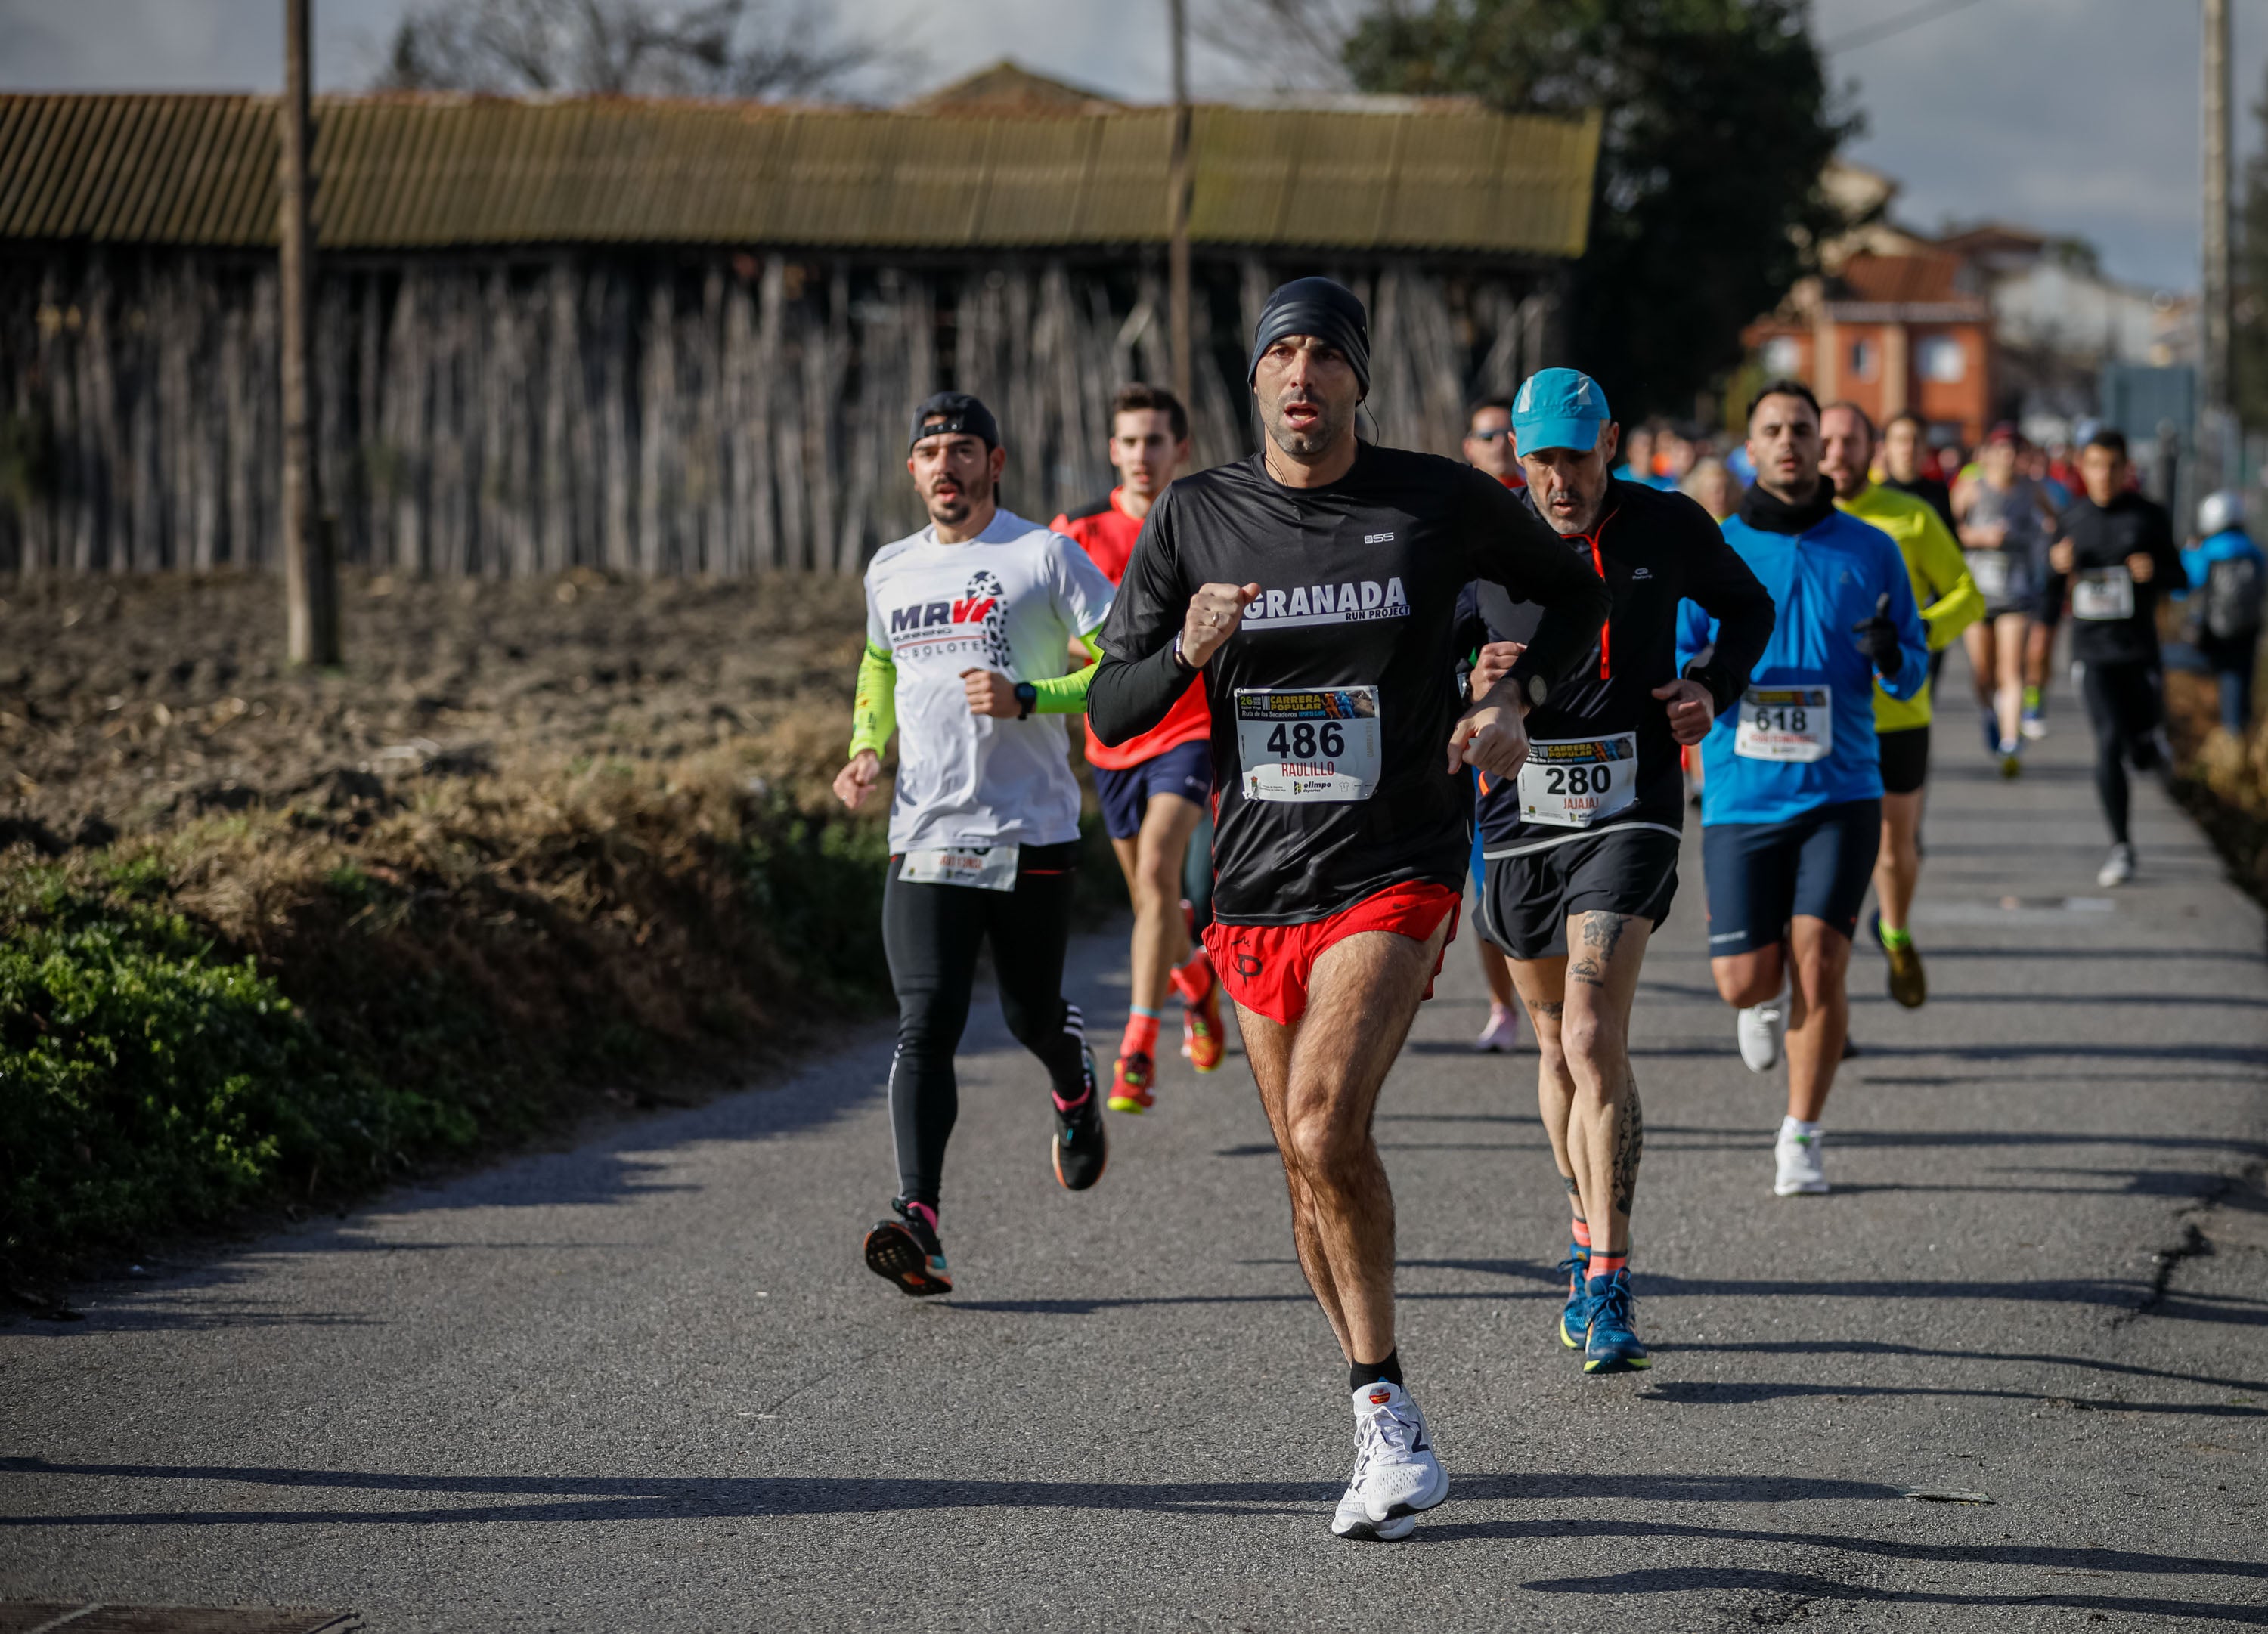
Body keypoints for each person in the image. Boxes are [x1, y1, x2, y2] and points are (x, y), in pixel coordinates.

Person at [1089, 277, 1609, 1541]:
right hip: (1255, 882)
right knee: (1303, 1163)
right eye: (1283, 354)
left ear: (1358, 379)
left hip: (1398, 863)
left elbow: (1576, 592)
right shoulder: (1196, 516)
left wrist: (1512, 699)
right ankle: (1374, 1415)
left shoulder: (1431, 498)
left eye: (1326, 352)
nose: (1303, 373)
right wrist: (1188, 656)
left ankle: (1388, 1416)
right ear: (1256, 382)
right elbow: (1110, 711)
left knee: (1326, 1126)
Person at [1461, 368, 1774, 1372]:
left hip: (1630, 807)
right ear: (1519, 456)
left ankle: (1611, 1275)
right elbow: (1437, 646)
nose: (1561, 479)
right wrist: (1463, 679)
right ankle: (1582, 1223)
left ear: (1613, 445)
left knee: (1594, 1028)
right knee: (1554, 1047)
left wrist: (1712, 686)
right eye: (1542, 459)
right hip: (1516, 817)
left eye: (1578, 456)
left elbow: (1748, 607)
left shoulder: (1665, 523)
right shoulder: (1484, 537)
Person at [837, 391, 1120, 1298]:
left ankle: (1072, 1077)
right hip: (922, 832)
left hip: (1029, 830)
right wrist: (865, 748)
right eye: (930, 452)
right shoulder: (889, 568)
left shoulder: (1044, 554)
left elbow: (1123, 665)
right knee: (926, 1022)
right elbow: (879, 665)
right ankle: (918, 1216)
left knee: (1031, 1015)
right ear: (912, 470)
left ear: (995, 462)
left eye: (964, 449)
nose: (946, 465)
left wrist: (1033, 696)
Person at [1678, 380, 1926, 1196]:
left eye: (1803, 429)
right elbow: (1678, 656)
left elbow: (1910, 674)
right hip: (1744, 794)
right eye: (1773, 429)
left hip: (1841, 790)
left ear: (1826, 446)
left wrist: (1891, 653)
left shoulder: (1871, 547)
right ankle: (1759, 999)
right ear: (1751, 446)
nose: (1789, 442)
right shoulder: (1715, 547)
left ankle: (1802, 1132)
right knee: (1746, 979)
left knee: (1821, 960)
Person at [1052, 384, 1227, 1114]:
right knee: (1147, 898)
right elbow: (1053, 624)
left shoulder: (1204, 522)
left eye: (1155, 441)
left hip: (1188, 730)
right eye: (1129, 441)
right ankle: (1195, 987)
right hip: (1112, 735)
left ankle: (1134, 1050)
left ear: (1180, 449)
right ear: (1112, 450)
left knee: (1160, 871)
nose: (1141, 455)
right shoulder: (1076, 532)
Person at [1820, 402, 1982, 1010]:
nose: (1837, 455)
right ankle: (1828, 994)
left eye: (1851, 443)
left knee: (1894, 847)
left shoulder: (1910, 518)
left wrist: (1914, 638)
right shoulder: (1797, 522)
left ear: (1873, 451)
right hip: (1822, 714)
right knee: (1827, 857)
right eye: (1827, 443)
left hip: (1898, 712)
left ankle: (1894, 932)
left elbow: (1967, 593)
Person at [2043, 428, 2184, 887]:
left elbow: (2180, 577)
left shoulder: (2149, 517)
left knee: (2138, 747)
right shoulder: (2071, 518)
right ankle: (2121, 846)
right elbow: (2047, 595)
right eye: (2095, 466)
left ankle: (2148, 744)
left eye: (2113, 467)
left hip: (2139, 650)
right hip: (2092, 651)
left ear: (2127, 470)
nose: (2104, 475)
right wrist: (2055, 567)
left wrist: (2154, 572)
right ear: (2082, 468)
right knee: (2106, 741)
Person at [1461, 398, 1525, 1051]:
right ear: (1469, 448)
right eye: (1488, 435)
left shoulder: (1547, 519)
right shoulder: (1456, 526)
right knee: (1491, 888)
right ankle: (1502, 1005)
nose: (1501, 443)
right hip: (1482, 733)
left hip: (1557, 729)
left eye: (1510, 433)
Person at [1955, 426, 2057, 775]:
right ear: (1988, 454)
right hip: (1976, 593)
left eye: (2014, 452)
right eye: (2001, 451)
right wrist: (1979, 537)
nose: (2008, 458)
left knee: (2010, 670)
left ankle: (2010, 743)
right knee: (1983, 672)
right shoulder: (1971, 488)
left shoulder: (2032, 490)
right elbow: (1949, 531)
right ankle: (1989, 714)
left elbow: (2057, 522)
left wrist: (2046, 542)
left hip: (2016, 591)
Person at [2180, 490, 2266, 737]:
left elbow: (2182, 586)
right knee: (2237, 682)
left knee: (2168, 658)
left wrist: (2188, 552)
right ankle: (2235, 738)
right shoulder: (2255, 552)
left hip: (2209, 637)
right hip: (2247, 633)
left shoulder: (2206, 551)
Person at [1877, 410, 1955, 534]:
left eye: (1916, 441)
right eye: (1901, 440)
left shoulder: (1939, 494)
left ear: (1926, 446)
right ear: (1886, 447)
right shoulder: (1876, 496)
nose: (1909, 449)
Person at [1682, 456, 1743, 522]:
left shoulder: (1745, 521)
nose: (1722, 496)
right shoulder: (1691, 524)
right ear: (1699, 492)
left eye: (1727, 489)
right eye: (1713, 491)